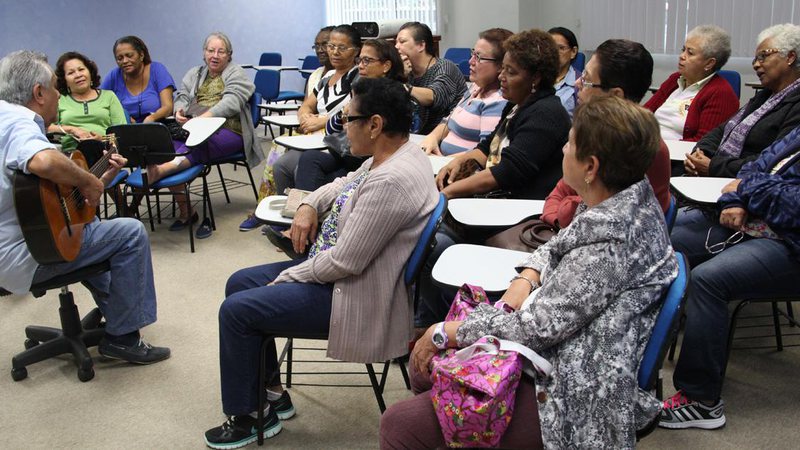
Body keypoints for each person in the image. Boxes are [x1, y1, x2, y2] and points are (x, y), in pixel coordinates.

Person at [380, 95, 678, 450]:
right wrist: (527, 277)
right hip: (564, 354)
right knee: (429, 370)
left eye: (569, 143)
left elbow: (538, 328)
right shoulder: (623, 197)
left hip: (575, 395)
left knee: (400, 422)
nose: (563, 150)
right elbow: (559, 244)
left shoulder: (611, 242)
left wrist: (445, 331)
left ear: (591, 166)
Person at [204, 77, 438, 449]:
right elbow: (343, 183)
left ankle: (247, 416)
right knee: (238, 283)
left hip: (355, 296)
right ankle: (273, 396)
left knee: (236, 312)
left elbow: (346, 262)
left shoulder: (391, 180)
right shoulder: (393, 154)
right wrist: (310, 204)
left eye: (347, 119)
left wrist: (289, 274)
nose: (341, 127)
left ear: (375, 125)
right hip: (339, 277)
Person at [0, 50, 169, 363]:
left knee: (91, 229)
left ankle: (118, 315)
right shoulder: (19, 123)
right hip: (25, 256)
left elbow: (43, 197)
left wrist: (100, 177)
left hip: (25, 242)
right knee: (129, 232)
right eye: (55, 87)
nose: (58, 94)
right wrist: (89, 183)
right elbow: (42, 160)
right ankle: (123, 337)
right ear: (38, 93)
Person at [660, 124, 800, 431]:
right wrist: (735, 199)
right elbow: (754, 167)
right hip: (756, 221)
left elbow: (794, 206)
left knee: (709, 280)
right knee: (663, 242)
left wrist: (745, 190)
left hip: (790, 243)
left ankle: (701, 401)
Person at [542, 39, 672, 228]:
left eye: (586, 79)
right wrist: (557, 217)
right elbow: (558, 194)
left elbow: (595, 218)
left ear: (615, 95)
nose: (578, 83)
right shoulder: (593, 132)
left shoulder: (642, 148)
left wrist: (564, 211)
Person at [147, 32, 259, 238]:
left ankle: (164, 170)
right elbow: (181, 96)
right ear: (204, 53)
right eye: (210, 50)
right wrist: (179, 111)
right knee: (167, 144)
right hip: (194, 126)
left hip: (230, 130)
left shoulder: (236, 73)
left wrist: (203, 118)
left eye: (221, 51)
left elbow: (232, 101)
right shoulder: (194, 73)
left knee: (199, 144)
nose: (215, 55)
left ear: (229, 55)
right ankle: (187, 210)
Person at [435, 29, 569, 200]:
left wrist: (448, 192)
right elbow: (487, 147)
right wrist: (459, 161)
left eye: (511, 72)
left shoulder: (546, 114)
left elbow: (507, 172)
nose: (501, 76)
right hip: (503, 198)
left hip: (521, 208)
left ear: (536, 78)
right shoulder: (517, 104)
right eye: (503, 68)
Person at [237, 26, 335, 232]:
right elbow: (306, 105)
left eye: (325, 44)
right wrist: (304, 116)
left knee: (278, 151)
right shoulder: (317, 75)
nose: (320, 50)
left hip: (328, 133)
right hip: (309, 129)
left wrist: (318, 120)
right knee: (278, 147)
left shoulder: (347, 76)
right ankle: (269, 208)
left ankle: (274, 210)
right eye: (316, 45)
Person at [683, 23, 800, 177]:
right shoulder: (765, 96)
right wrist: (701, 152)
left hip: (744, 186)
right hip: (717, 174)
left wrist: (713, 166)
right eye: (755, 59)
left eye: (763, 56)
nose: (756, 65)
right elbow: (722, 130)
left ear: (790, 57)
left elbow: (775, 162)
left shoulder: (796, 104)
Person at [294, 38, 406, 191]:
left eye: (367, 61)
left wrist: (347, 119)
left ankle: (306, 209)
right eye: (360, 60)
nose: (360, 65)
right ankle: (302, 208)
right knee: (309, 159)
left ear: (386, 65)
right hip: (347, 151)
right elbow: (331, 129)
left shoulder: (393, 95)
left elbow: (371, 138)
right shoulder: (361, 87)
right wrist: (342, 115)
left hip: (368, 157)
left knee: (318, 172)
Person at [418, 28, 511, 156]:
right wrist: (432, 137)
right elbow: (448, 121)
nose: (470, 62)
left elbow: (485, 153)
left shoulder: (498, 101)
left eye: (478, 57)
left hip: (461, 170)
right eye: (473, 54)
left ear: (501, 66)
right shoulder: (475, 88)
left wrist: (443, 162)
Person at [645, 25, 739, 142]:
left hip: (676, 156)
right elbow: (644, 113)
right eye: (683, 49)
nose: (682, 56)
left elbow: (703, 143)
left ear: (709, 63)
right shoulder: (675, 79)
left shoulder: (721, 94)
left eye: (690, 53)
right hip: (648, 146)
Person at [395, 21, 467, 134]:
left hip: (444, 136)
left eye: (402, 42)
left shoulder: (445, 67)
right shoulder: (407, 71)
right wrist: (400, 77)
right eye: (396, 42)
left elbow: (434, 97)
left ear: (421, 46)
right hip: (416, 136)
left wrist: (403, 87)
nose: (396, 46)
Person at [46, 52, 127, 152]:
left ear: (90, 72)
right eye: (71, 73)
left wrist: (102, 139)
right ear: (64, 80)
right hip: (71, 155)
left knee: (91, 146)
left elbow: (122, 134)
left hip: (104, 153)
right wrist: (73, 130)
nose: (78, 75)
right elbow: (46, 127)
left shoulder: (109, 96)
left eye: (81, 69)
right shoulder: (59, 99)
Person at [100, 35, 176, 124]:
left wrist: (151, 118)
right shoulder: (113, 76)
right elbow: (100, 105)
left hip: (156, 127)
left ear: (141, 55)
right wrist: (124, 117)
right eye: (120, 58)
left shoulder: (157, 70)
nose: (124, 61)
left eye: (129, 56)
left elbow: (168, 107)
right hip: (125, 129)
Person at [549, 26, 580, 118]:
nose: (554, 52)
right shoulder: (536, 78)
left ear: (573, 52)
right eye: (550, 48)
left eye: (560, 48)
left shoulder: (579, 84)